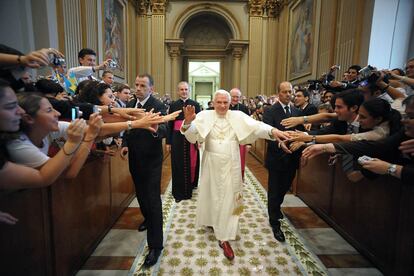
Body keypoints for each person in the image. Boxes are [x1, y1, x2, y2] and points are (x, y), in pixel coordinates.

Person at [180, 89, 289, 260]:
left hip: (231, 162)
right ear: (213, 102)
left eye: (225, 102)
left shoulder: (237, 115)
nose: (222, 106)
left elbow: (257, 127)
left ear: (230, 103)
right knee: (212, 194)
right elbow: (192, 135)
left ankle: (224, 236)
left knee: (228, 197)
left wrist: (273, 131)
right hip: (211, 163)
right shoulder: (204, 116)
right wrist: (187, 122)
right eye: (219, 102)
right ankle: (211, 220)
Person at [120, 73, 168, 267]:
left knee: (153, 199)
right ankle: (147, 218)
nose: (137, 88)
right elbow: (127, 128)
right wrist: (124, 143)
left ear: (151, 88)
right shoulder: (131, 104)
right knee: (140, 194)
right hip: (135, 159)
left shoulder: (157, 106)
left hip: (152, 160)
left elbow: (164, 129)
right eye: (136, 84)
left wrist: (155, 128)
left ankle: (156, 246)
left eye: (142, 85)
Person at [262, 81, 305, 243]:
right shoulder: (270, 111)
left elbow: (302, 132)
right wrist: (280, 142)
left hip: (293, 157)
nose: (288, 94)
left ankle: (277, 207)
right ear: (279, 93)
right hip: (277, 157)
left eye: (290, 92)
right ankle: (274, 222)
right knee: (274, 190)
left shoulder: (296, 111)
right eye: (285, 92)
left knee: (285, 187)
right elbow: (267, 133)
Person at [166, 81, 201, 203]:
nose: (184, 91)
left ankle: (190, 187)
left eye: (186, 89)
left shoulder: (195, 104)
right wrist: (168, 142)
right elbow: (169, 125)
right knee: (177, 164)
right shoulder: (173, 105)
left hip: (191, 137)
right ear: (178, 91)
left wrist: (199, 139)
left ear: (189, 90)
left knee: (191, 163)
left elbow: (199, 124)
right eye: (181, 89)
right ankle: (178, 191)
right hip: (177, 138)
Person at [229, 88, 251, 180]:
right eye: (233, 97)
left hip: (240, 138)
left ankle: (238, 180)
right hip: (228, 138)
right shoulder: (225, 106)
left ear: (240, 97)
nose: (235, 99)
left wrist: (249, 143)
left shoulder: (244, 108)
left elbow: (249, 126)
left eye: (237, 97)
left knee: (239, 160)